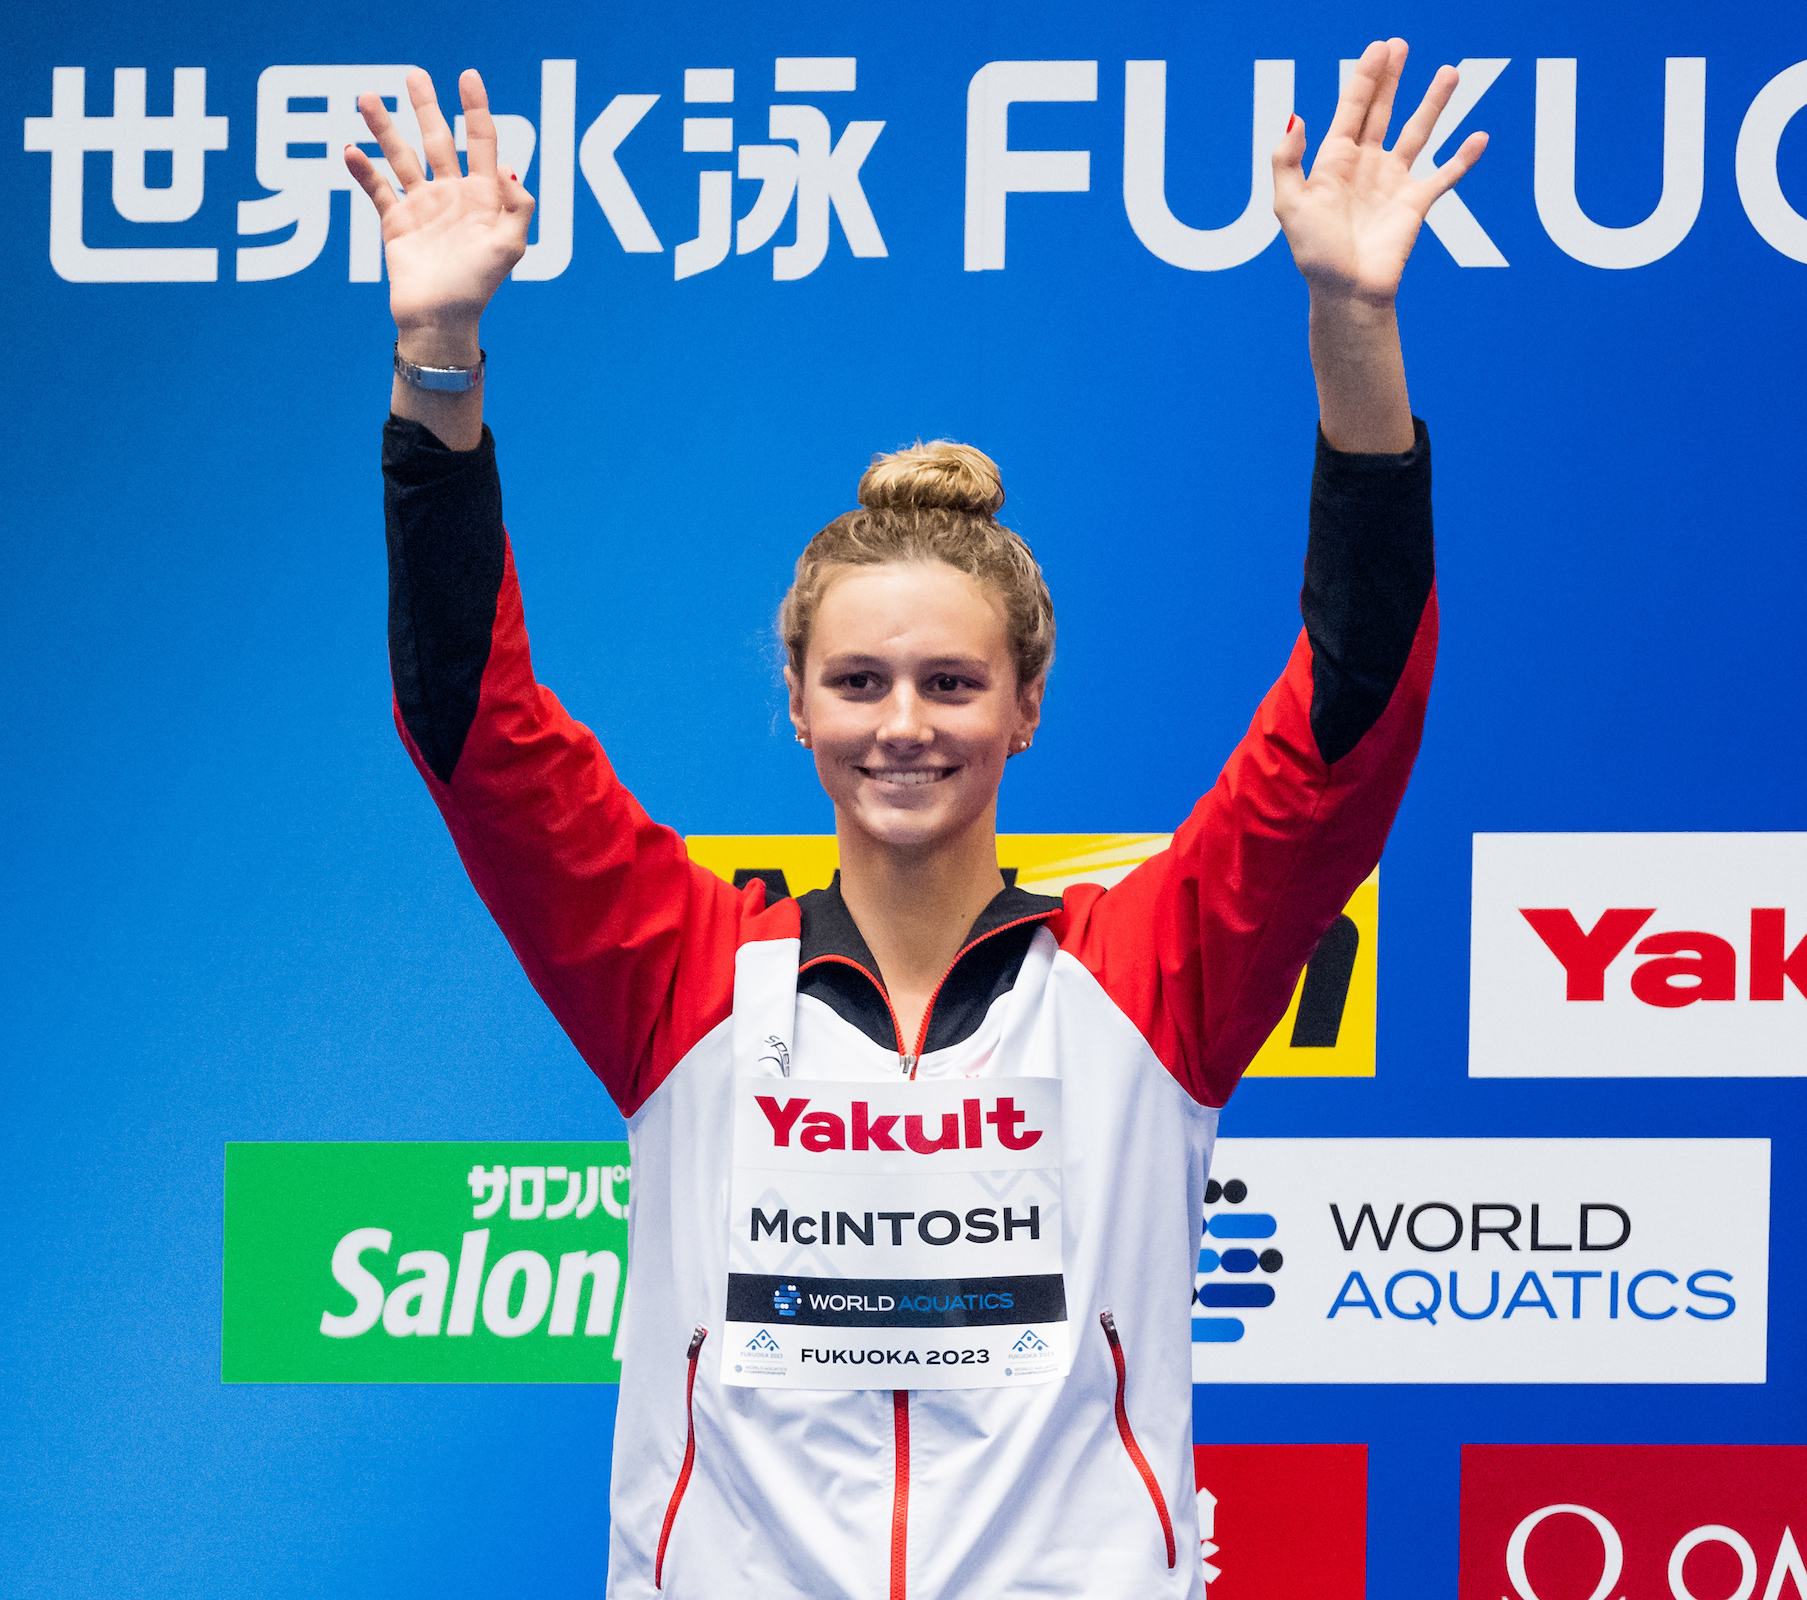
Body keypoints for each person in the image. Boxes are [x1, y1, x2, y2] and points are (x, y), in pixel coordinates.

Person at [352, 38, 1480, 1599]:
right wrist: (438, 360)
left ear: (1026, 706)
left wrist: (1353, 329)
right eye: (861, 681)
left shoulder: (1149, 979)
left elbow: (1350, 721)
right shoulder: (680, 975)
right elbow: (476, 732)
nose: (903, 726)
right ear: (798, 703)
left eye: (952, 684)